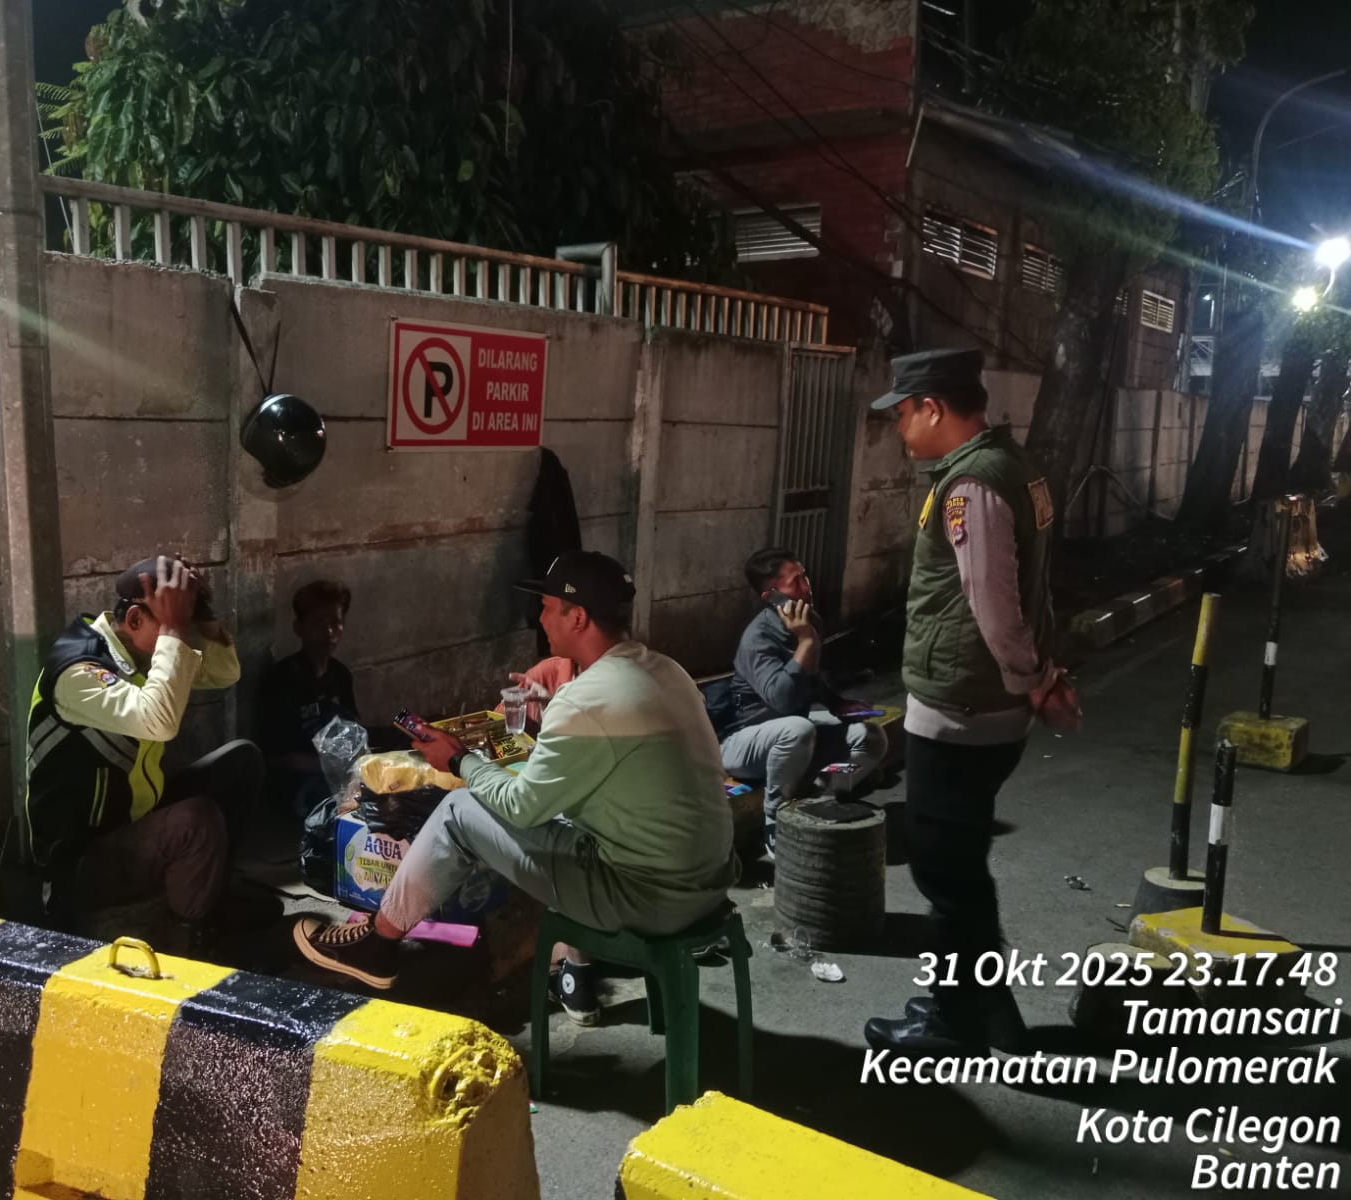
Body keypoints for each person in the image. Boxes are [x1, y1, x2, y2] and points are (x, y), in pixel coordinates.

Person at [292, 551, 737, 1018]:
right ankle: (571, 969)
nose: (540, 619)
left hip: (649, 899)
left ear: (578, 617)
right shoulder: (667, 671)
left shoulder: (588, 699)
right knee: (554, 810)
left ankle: (376, 947)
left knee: (459, 811)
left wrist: (458, 759)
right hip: (707, 883)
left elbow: (522, 806)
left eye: (547, 607)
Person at [863, 348, 1079, 1057]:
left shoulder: (971, 485)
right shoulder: (1013, 465)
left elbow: (996, 604)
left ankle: (963, 1023)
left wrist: (1033, 676)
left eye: (903, 413)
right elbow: (1031, 585)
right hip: (986, 707)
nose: (900, 428)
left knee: (946, 873)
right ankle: (982, 1012)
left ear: (933, 408)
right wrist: (1040, 675)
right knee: (959, 866)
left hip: (961, 709)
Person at [24, 554, 262, 950]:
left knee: (241, 762)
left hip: (133, 818)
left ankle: (211, 892)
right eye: (173, 626)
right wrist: (173, 629)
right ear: (135, 619)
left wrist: (201, 612)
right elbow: (159, 721)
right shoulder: (78, 671)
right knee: (196, 820)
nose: (180, 638)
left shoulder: (137, 649)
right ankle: (190, 937)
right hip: (81, 861)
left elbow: (225, 673)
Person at [717, 548, 888, 855]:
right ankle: (774, 822)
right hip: (743, 743)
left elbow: (813, 679)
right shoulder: (758, 638)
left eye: (805, 576)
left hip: (794, 736)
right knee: (797, 728)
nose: (807, 587)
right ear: (772, 596)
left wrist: (836, 703)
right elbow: (782, 701)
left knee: (871, 736)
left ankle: (824, 798)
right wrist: (806, 641)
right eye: (795, 582)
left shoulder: (811, 621)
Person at [256, 580, 360, 816]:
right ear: (299, 628)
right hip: (295, 785)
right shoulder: (281, 679)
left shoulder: (341, 675)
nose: (329, 633)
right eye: (318, 624)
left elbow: (354, 731)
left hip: (338, 776)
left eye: (336, 623)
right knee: (348, 805)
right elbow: (272, 757)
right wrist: (329, 768)